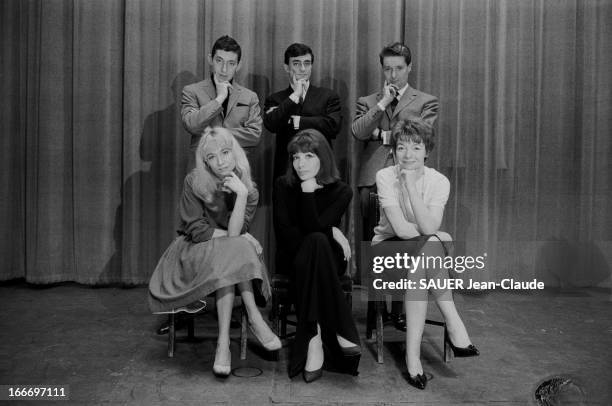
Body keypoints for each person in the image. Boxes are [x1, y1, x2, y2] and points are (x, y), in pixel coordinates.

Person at [148, 127, 280, 377]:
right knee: (235, 248)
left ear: (235, 152)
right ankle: (254, 317)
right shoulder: (194, 181)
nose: (220, 161)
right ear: (204, 161)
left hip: (230, 255)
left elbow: (234, 233)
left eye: (225, 152)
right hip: (194, 250)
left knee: (231, 253)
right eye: (211, 157)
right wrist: (240, 237)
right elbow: (197, 230)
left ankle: (223, 344)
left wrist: (241, 195)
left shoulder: (248, 189)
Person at [373, 120, 479, 390]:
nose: (408, 155)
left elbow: (428, 228)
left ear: (427, 151)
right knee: (432, 243)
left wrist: (411, 189)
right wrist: (433, 234)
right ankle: (453, 322)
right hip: (388, 249)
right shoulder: (385, 176)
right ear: (394, 151)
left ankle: (412, 357)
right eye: (401, 147)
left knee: (423, 257)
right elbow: (401, 229)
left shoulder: (439, 181)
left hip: (421, 256)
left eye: (416, 147)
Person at [352, 41, 439, 331]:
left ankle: (401, 310)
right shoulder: (368, 101)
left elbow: (421, 136)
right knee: (373, 245)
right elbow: (359, 131)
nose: (393, 75)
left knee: (406, 242)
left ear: (409, 68)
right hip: (371, 179)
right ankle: (375, 313)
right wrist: (383, 104)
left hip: (408, 179)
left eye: (399, 68)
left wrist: (383, 135)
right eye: (388, 69)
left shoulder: (426, 100)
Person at [273, 129, 359, 383]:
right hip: (294, 258)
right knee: (318, 239)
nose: (301, 164)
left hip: (328, 260)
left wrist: (311, 195)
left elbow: (311, 228)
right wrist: (330, 229)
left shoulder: (342, 191)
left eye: (309, 156)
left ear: (323, 158)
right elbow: (287, 235)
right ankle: (329, 331)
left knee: (318, 241)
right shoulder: (284, 185)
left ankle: (314, 340)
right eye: (296, 157)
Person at [264, 43, 342, 178]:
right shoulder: (275, 99)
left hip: (320, 170)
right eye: (296, 63)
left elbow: (333, 126)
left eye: (307, 63)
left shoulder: (328, 96)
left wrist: (298, 121)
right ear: (286, 67)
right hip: (286, 171)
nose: (302, 69)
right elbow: (271, 124)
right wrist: (295, 96)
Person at [181, 35, 262, 163]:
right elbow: (192, 125)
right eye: (219, 61)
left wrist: (216, 134)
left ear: (238, 65)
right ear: (210, 59)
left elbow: (254, 135)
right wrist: (219, 99)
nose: (224, 69)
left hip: (237, 168)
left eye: (231, 63)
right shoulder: (192, 91)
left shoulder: (250, 96)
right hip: (202, 167)